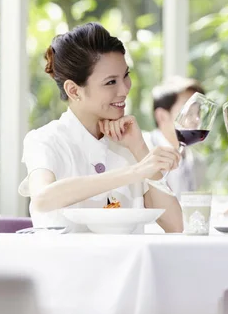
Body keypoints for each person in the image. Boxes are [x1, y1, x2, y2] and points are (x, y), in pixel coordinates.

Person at [18, 23, 183, 233]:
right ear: (74, 90)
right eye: (110, 82)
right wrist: (136, 171)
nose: (124, 89)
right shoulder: (47, 140)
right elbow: (42, 198)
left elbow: (176, 225)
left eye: (125, 75)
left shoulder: (129, 142)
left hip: (129, 264)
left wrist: (139, 148)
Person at [143, 77, 207, 199]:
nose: (196, 119)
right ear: (162, 116)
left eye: (198, 112)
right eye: (188, 111)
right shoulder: (141, 149)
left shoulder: (198, 163)